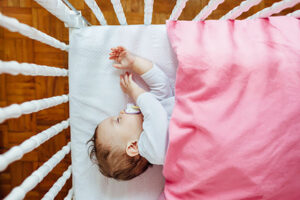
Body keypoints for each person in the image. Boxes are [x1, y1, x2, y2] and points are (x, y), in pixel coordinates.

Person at [88, 46, 175, 180]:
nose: (122, 112)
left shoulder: (148, 114)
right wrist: (135, 92)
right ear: (133, 146)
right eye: (118, 120)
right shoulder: (153, 150)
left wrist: (134, 63)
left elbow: (162, 86)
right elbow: (155, 113)